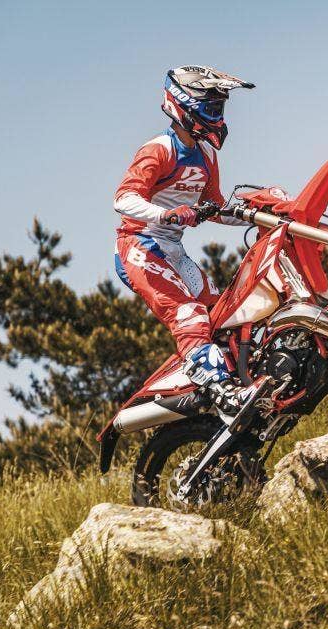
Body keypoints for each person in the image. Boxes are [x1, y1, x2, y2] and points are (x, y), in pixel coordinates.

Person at [113, 65, 255, 411]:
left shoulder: (207, 154)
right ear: (185, 107)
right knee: (190, 315)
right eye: (211, 108)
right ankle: (219, 392)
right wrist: (166, 214)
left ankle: (237, 379)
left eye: (219, 108)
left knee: (224, 313)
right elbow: (123, 199)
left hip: (173, 250)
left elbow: (215, 207)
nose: (218, 117)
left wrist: (257, 212)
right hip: (140, 247)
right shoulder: (159, 149)